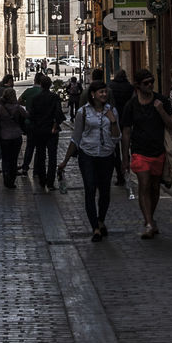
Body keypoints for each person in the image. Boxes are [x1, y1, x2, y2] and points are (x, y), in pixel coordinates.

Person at [58, 78, 121, 241]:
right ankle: (95, 228)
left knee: (105, 192)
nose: (104, 94)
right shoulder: (83, 112)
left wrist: (113, 122)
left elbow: (116, 138)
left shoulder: (112, 111)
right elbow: (76, 138)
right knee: (90, 189)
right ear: (93, 94)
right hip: (87, 155)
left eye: (105, 91)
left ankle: (101, 220)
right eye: (101, 92)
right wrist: (64, 161)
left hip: (107, 155)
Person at [120, 69, 172, 239]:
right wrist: (125, 158)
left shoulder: (162, 101)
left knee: (154, 187)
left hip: (158, 151)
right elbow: (126, 132)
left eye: (152, 81)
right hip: (139, 152)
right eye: (146, 83)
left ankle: (149, 219)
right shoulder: (131, 105)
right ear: (137, 85)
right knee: (144, 184)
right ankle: (149, 222)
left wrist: (161, 111)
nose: (150, 85)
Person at [27, 74, 63, 191]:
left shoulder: (36, 99)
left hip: (39, 130)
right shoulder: (55, 97)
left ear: (41, 85)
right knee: (52, 157)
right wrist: (55, 125)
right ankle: (50, 181)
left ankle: (42, 180)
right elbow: (58, 114)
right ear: (50, 85)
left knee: (41, 155)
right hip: (52, 131)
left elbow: (31, 115)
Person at [0, 88, 28, 188]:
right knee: (14, 159)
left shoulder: (0, 108)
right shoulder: (18, 108)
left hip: (4, 137)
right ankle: (12, 180)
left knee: (6, 159)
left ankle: (6, 179)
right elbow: (27, 116)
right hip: (16, 136)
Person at [108, 68, 133, 186]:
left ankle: (120, 175)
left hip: (115, 118)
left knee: (116, 149)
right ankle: (127, 169)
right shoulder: (129, 87)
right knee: (126, 146)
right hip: (127, 118)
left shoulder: (111, 86)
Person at [18, 74, 45, 175]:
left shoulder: (29, 91)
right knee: (39, 148)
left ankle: (25, 167)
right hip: (41, 123)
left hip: (29, 122)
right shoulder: (43, 92)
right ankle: (37, 170)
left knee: (30, 146)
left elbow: (19, 101)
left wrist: (27, 105)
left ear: (34, 80)